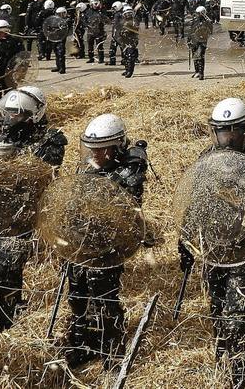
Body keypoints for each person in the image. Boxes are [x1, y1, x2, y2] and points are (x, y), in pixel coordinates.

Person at [180, 99, 245, 389]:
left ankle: (243, 378)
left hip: (242, 247)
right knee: (218, 310)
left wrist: (230, 182)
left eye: (235, 131)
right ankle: (222, 365)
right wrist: (184, 240)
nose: (229, 138)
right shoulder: (206, 157)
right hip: (212, 246)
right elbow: (194, 201)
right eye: (223, 132)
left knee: (240, 317)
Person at [59, 114, 148, 367]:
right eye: (92, 149)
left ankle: (112, 345)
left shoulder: (129, 170)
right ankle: (82, 342)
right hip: (81, 240)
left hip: (110, 242)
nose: (95, 155)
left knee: (103, 295)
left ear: (117, 147)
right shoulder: (86, 168)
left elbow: (126, 203)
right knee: (77, 294)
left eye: (102, 150)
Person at [0, 89, 67, 332]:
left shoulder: (49, 139)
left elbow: (47, 168)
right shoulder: (0, 136)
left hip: (26, 212)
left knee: (0, 269)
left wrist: (16, 157)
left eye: (17, 114)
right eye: (8, 113)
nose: (10, 119)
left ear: (34, 115)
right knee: (8, 262)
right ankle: (15, 302)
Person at [188, 5, 212, 80]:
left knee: (200, 56)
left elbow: (210, 32)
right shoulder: (194, 21)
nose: (197, 15)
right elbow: (190, 31)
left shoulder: (207, 21)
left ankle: (201, 73)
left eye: (199, 13)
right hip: (195, 41)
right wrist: (189, 40)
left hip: (202, 41)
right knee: (195, 56)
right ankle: (197, 71)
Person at [84, 0, 107, 64]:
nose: (95, 6)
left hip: (99, 31)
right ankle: (91, 58)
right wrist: (87, 25)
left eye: (97, 4)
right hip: (90, 31)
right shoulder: (88, 11)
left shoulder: (101, 11)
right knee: (90, 45)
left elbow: (105, 19)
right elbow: (84, 20)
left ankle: (101, 58)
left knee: (99, 45)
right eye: (94, 4)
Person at [49, 6, 71, 74]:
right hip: (55, 38)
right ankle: (58, 66)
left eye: (63, 13)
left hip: (61, 38)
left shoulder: (67, 20)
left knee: (60, 52)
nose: (61, 15)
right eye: (59, 14)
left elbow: (63, 28)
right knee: (56, 52)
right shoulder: (54, 20)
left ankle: (62, 68)